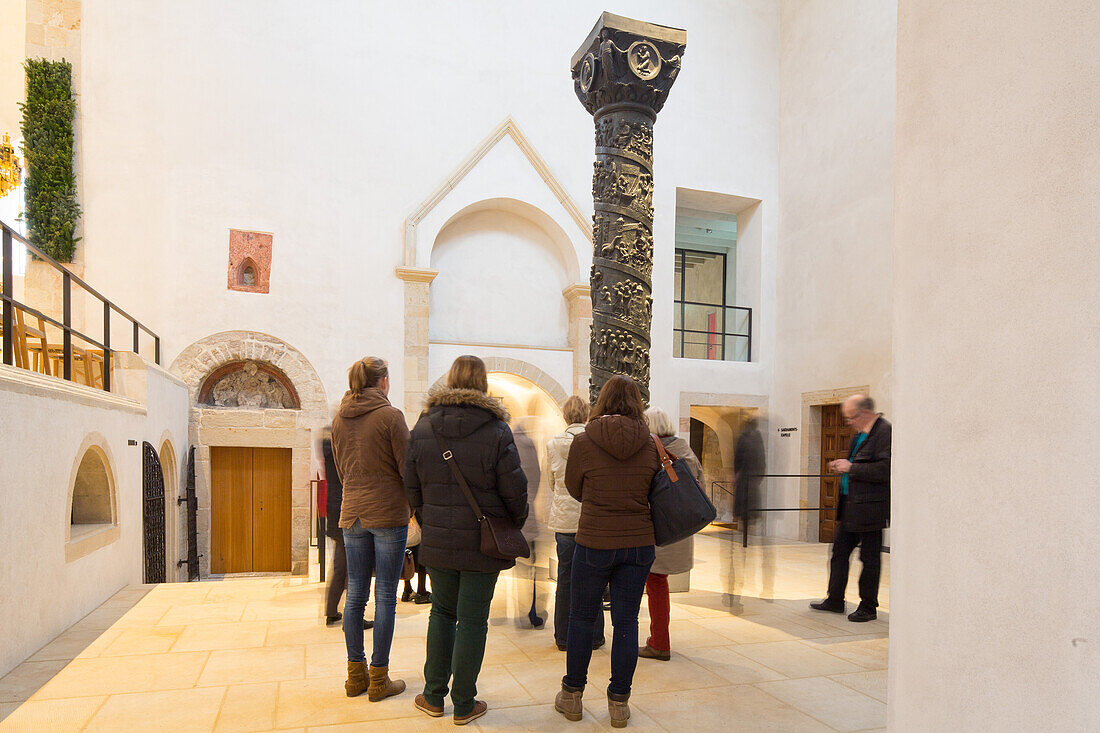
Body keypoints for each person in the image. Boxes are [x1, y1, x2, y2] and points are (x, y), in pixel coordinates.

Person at [405, 355, 528, 726]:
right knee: (473, 620)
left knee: (441, 613)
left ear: (450, 380)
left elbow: (412, 487)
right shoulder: (497, 430)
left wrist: (431, 521)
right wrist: (510, 524)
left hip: (439, 540)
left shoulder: (424, 427)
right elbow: (516, 491)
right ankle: (463, 703)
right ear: (483, 384)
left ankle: (432, 696)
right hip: (482, 544)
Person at [554, 375, 660, 729]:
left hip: (595, 541)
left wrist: (600, 502)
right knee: (627, 621)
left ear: (602, 401)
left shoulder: (584, 441)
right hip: (638, 543)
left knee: (582, 618)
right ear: (637, 403)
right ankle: (619, 703)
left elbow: (573, 487)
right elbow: (653, 490)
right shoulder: (650, 443)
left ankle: (572, 696)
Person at [331, 357, 410, 701]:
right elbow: (407, 468)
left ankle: (355, 675)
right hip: (388, 513)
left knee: (356, 596)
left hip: (352, 514)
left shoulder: (339, 418)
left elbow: (340, 470)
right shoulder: (390, 417)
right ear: (382, 382)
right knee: (386, 596)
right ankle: (379, 678)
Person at [810, 394, 891, 622]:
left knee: (869, 558)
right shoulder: (859, 435)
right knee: (838, 554)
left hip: (871, 509)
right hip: (850, 506)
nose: (849, 422)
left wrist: (851, 468)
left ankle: (868, 606)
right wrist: (842, 466)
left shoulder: (884, 433)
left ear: (865, 412)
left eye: (851, 417)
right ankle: (835, 600)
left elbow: (885, 470)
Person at [638, 407, 702, 662]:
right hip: (681, 527)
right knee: (657, 583)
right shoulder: (685, 449)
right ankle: (658, 639)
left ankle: (660, 643)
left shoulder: (652, 453)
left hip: (658, 529)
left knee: (655, 584)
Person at [547, 395, 606, 652]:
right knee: (594, 579)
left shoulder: (552, 444)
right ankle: (594, 637)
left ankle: (562, 636)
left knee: (565, 579)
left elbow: (552, 481)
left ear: (565, 416)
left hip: (564, 519)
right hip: (591, 519)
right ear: (586, 415)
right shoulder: (595, 442)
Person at [321, 429, 373, 630]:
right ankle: (354, 618)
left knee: (342, 566)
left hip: (335, 510)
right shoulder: (343, 448)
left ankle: (332, 611)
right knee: (355, 569)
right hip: (348, 509)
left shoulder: (328, 445)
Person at [725, 414, 774, 613]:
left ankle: (736, 590)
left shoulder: (744, 438)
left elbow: (738, 465)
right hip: (754, 491)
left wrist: (738, 480)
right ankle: (765, 587)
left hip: (745, 492)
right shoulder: (758, 439)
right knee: (758, 542)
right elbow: (761, 467)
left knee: (739, 545)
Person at [512, 417, 548, 629]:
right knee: (533, 567)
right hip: (530, 513)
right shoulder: (529, 445)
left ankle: (522, 611)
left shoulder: (508, 443)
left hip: (514, 517)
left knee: (520, 566)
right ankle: (533, 611)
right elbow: (537, 477)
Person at [400, 511, 430, 604]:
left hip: (403, 513)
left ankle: (407, 590)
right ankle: (421, 592)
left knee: (407, 549)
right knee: (421, 550)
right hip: (418, 513)